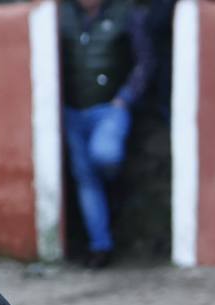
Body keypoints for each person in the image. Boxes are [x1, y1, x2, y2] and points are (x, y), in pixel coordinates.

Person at [59, 0, 154, 269]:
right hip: (72, 109)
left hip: (109, 106)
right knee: (85, 177)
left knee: (105, 155)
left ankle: (116, 192)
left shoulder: (125, 13)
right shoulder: (60, 14)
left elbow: (145, 59)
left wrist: (125, 97)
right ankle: (100, 246)